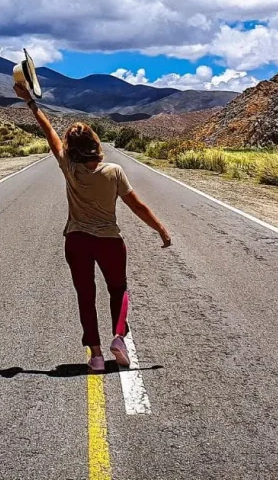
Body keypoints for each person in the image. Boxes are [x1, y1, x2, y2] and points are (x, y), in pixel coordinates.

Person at [14, 83, 172, 372]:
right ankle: (119, 338)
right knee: (119, 289)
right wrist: (160, 228)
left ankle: (96, 356)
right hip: (109, 241)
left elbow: (49, 134)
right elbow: (137, 206)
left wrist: (31, 104)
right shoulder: (113, 172)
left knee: (85, 296)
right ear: (96, 143)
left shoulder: (69, 167)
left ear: (72, 148)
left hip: (77, 241)